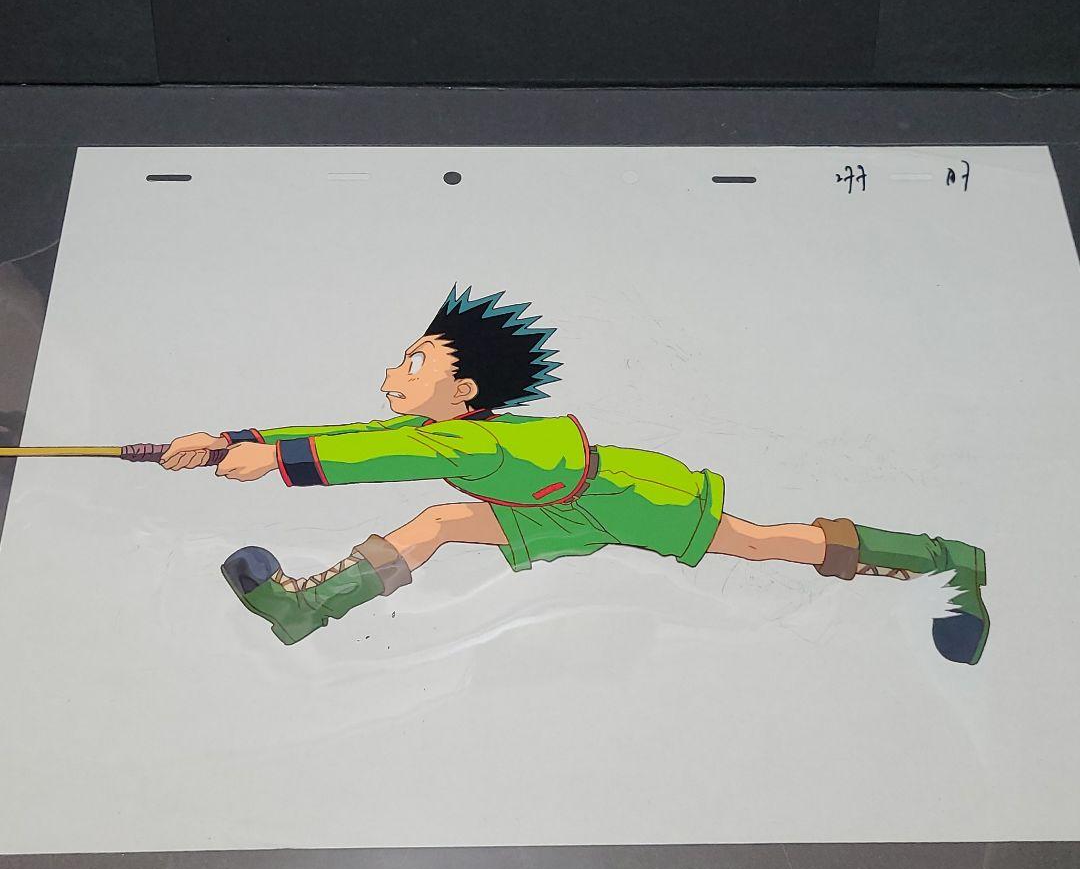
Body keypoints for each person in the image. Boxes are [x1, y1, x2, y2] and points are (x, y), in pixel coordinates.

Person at [161, 285, 989, 664]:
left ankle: (949, 561)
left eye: (414, 363)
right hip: (551, 507)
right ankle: (307, 609)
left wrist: (272, 459)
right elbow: (357, 435)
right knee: (441, 524)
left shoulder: (469, 444)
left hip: (627, 499)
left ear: (465, 390)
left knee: (769, 544)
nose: (391, 377)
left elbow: (374, 455)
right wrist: (230, 438)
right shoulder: (448, 428)